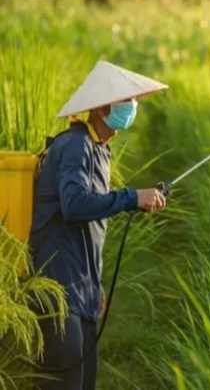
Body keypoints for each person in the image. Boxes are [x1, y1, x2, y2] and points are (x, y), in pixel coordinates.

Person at [29, 60, 169, 390]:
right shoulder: (75, 145)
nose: (133, 108)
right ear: (104, 106)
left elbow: (86, 228)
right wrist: (132, 197)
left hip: (81, 290)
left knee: (84, 381)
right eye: (128, 101)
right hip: (57, 289)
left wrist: (94, 284)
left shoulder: (99, 149)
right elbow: (75, 205)